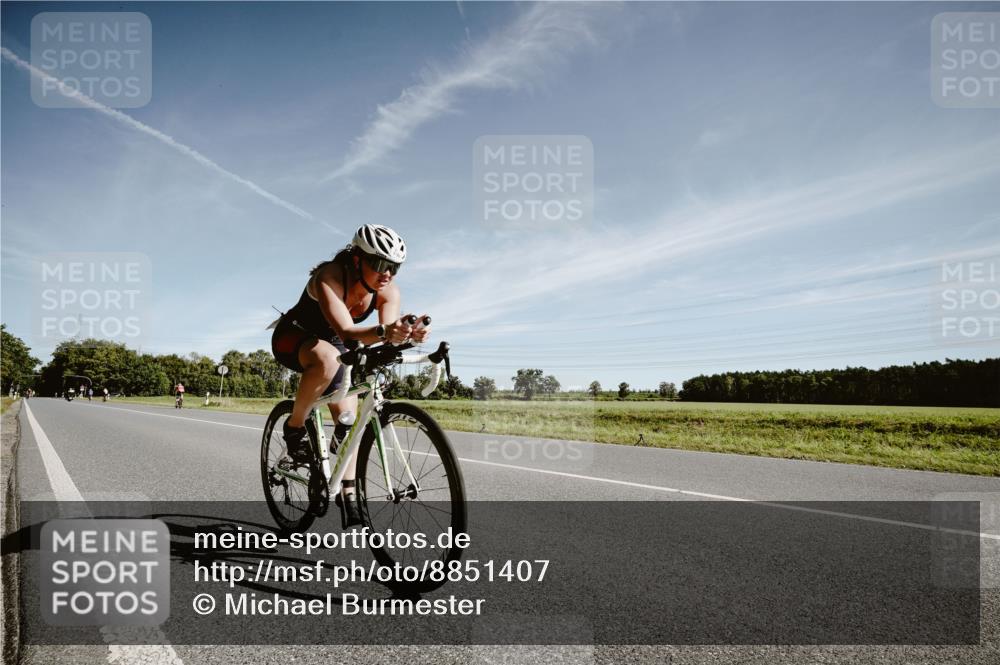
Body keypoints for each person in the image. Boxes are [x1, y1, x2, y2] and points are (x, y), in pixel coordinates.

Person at [270, 224, 430, 526]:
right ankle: (294, 427)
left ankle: (347, 489)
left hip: (339, 346)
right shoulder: (330, 276)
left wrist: (408, 335)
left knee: (348, 420)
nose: (388, 274)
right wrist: (385, 331)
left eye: (394, 267)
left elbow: (385, 335)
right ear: (357, 258)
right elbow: (346, 330)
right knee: (329, 359)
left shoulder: (388, 290)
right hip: (296, 337)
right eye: (380, 264)